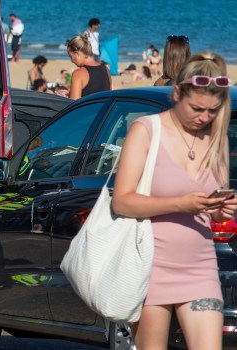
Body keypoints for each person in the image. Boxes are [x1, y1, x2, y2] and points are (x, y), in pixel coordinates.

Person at [112, 53, 237, 349]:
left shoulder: (215, 138)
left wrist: (221, 209)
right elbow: (123, 202)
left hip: (201, 267)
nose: (203, 117)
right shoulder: (146, 131)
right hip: (152, 266)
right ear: (177, 93)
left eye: (212, 110)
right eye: (196, 108)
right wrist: (182, 203)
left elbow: (211, 211)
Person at [66, 34, 111, 99]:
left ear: (77, 54)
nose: (72, 61)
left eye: (71, 57)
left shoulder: (78, 74)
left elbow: (74, 104)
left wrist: (63, 97)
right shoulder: (106, 69)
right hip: (104, 108)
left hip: (88, 109)